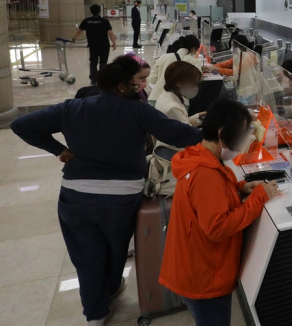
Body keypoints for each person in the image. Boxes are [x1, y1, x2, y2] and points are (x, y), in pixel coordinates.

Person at [10, 56, 203, 326]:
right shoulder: (138, 111)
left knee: (85, 255)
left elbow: (21, 125)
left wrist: (59, 150)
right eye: (137, 83)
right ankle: (112, 287)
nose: (141, 87)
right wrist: (220, 131)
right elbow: (180, 135)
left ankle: (95, 314)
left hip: (74, 194)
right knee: (115, 249)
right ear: (121, 86)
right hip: (122, 196)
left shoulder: (72, 107)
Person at [159, 99, 278, 326]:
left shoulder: (200, 155)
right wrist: (259, 197)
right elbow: (217, 227)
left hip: (196, 267)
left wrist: (241, 188)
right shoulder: (205, 174)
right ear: (223, 133)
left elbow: (214, 194)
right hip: (204, 277)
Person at [154, 62, 205, 144]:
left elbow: (179, 124)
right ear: (179, 83)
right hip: (177, 150)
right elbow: (187, 134)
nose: (196, 87)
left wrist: (198, 118)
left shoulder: (166, 96)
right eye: (194, 84)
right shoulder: (172, 107)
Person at [148, 35, 202, 106]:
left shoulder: (164, 57)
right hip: (178, 102)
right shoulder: (194, 61)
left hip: (156, 99)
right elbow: (198, 80)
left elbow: (152, 79)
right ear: (194, 48)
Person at [71, 4, 117, 85]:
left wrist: (74, 38)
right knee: (103, 62)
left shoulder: (87, 20)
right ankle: (102, 78)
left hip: (92, 45)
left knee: (93, 62)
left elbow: (79, 30)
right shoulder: (104, 21)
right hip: (104, 45)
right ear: (99, 11)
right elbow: (110, 32)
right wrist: (114, 42)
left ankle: (93, 79)